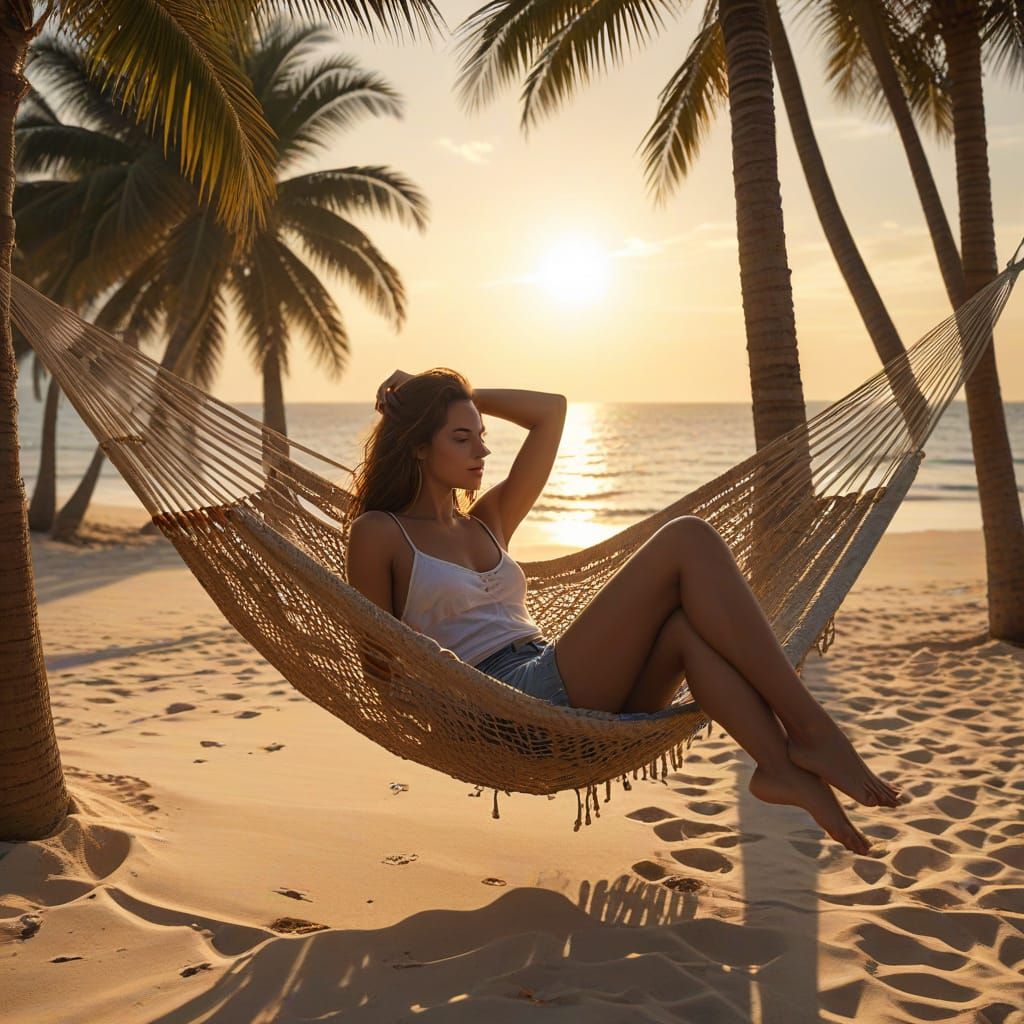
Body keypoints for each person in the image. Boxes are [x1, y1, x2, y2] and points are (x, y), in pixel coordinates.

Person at [346, 368, 902, 854]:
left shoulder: (486, 520)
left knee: (685, 631)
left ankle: (780, 768)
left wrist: (445, 392)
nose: (483, 452)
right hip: (504, 702)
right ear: (419, 446)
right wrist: (459, 713)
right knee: (687, 538)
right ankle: (812, 729)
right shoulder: (381, 533)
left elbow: (551, 412)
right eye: (462, 438)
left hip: (555, 681)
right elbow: (379, 670)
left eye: (483, 437)